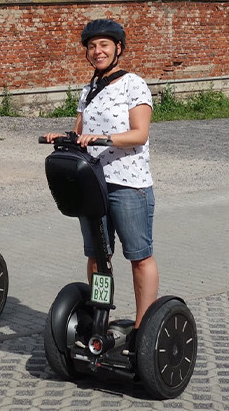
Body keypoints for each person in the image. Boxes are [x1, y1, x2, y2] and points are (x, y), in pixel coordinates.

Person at [43, 18, 158, 329]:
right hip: (93, 183)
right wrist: (63, 136)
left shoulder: (134, 84)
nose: (97, 51)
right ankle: (100, 317)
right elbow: (80, 131)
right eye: (92, 46)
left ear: (118, 48)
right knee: (97, 256)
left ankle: (143, 328)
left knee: (139, 256)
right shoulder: (88, 89)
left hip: (128, 184)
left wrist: (105, 140)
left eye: (104, 45)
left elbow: (139, 134)